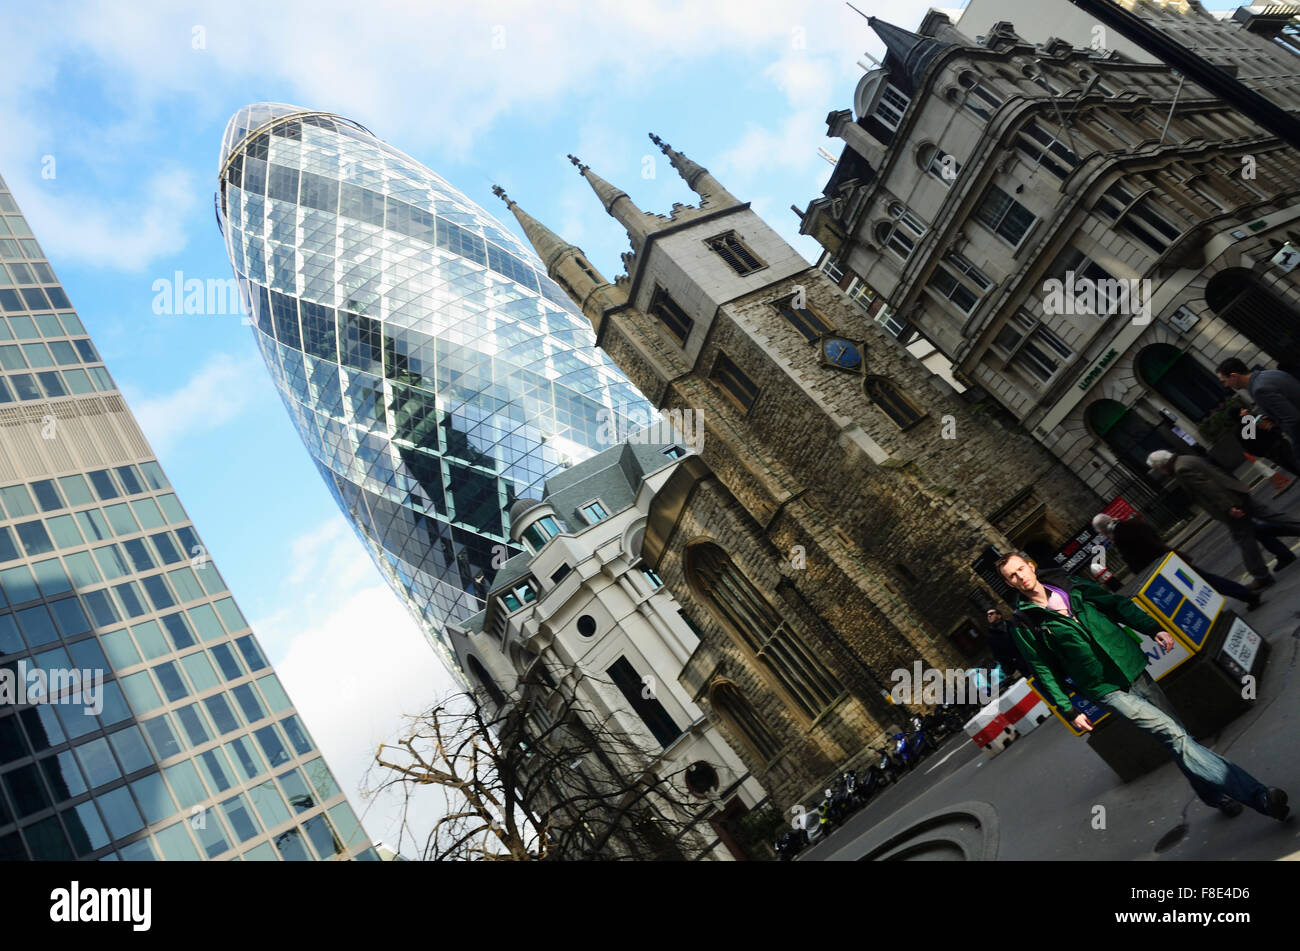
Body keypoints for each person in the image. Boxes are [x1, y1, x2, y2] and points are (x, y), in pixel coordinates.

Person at [996, 551, 1288, 821]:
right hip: (1105, 689)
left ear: (1031, 566)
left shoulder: (1070, 585)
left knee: (1179, 739)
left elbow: (1117, 605)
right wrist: (1068, 709)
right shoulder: (1024, 622)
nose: (1020, 577)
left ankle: (1212, 795)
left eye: (1021, 568)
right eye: (1012, 576)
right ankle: (1260, 797)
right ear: (1010, 583)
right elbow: (1043, 668)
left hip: (1131, 666)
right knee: (1174, 735)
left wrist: (1153, 627)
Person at [1146, 449, 1300, 591]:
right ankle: (1278, 559)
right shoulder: (1187, 459)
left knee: (1244, 540)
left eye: (1158, 469)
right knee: (1270, 518)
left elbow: (1208, 487)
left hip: (1231, 501)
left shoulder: (1181, 470)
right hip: (1236, 493)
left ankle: (1261, 576)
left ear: (1163, 465)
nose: (1161, 472)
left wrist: (1228, 507)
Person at [1090, 512, 1261, 611]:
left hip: (1160, 569)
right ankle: (1245, 595)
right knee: (1203, 580)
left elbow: (1134, 562)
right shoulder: (1133, 523)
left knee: (1197, 587)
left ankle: (1247, 596)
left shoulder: (1121, 538)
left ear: (1103, 532)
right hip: (1170, 558)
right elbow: (1153, 535)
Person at [1218, 358, 1300, 460]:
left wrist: (1297, 452)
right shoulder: (1269, 374)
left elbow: (1293, 420)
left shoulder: (1259, 390)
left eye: (1224, 381)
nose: (1226, 385)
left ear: (1234, 376)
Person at [1234, 407, 1300, 479]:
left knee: (1290, 467)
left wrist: (1262, 454)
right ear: (1239, 414)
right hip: (1278, 444)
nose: (1246, 410)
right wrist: (1278, 434)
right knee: (1295, 461)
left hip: (1269, 453)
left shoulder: (1238, 432)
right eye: (1242, 410)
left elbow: (1248, 447)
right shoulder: (1254, 418)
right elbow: (1272, 426)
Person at [985, 607, 1028, 682]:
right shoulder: (991, 637)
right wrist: (1011, 665)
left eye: (991, 614)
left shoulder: (1012, 624)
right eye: (988, 615)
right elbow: (998, 655)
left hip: (1029, 655)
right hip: (1019, 664)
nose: (989, 616)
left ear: (999, 616)